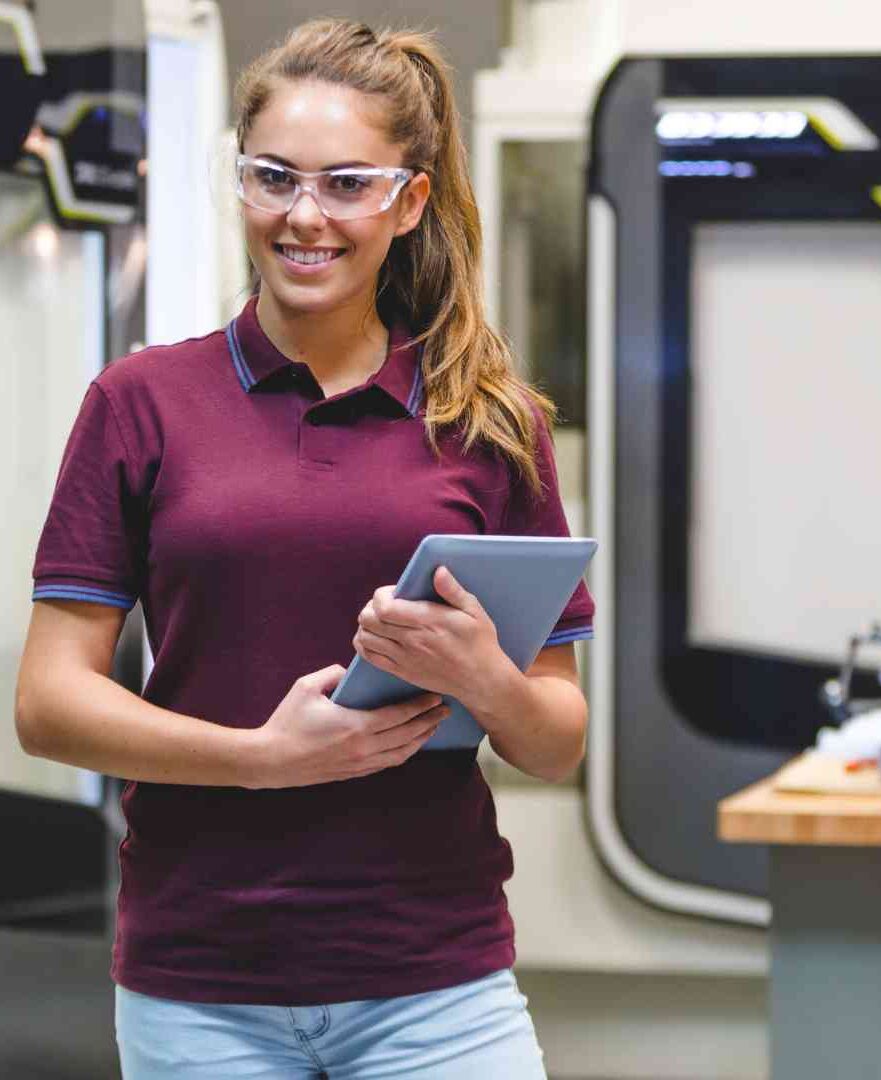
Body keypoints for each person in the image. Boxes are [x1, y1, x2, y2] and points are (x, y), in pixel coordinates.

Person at [14, 17, 593, 1079]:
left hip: (435, 982)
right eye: (273, 178)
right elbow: (48, 704)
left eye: (345, 184)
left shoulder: (486, 419)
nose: (303, 216)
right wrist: (257, 761)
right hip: (200, 987)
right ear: (240, 184)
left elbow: (555, 739)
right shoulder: (139, 403)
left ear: (407, 200)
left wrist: (484, 680)